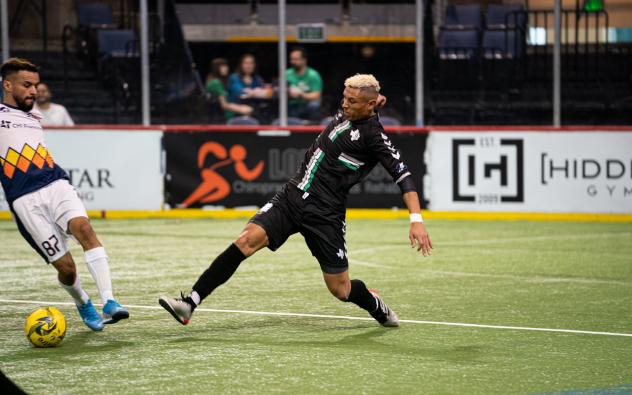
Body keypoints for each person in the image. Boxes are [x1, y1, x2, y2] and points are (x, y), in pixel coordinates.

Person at [159, 74, 432, 328]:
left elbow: (405, 178)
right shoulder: (355, 109)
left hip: (325, 214)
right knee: (245, 241)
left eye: (352, 101)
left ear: (369, 105)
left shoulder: (375, 138)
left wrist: (416, 221)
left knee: (341, 290)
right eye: (344, 98)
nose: (344, 104)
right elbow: (371, 103)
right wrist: (373, 102)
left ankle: (375, 305)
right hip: (291, 197)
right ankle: (189, 303)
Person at [0, 58, 128, 331]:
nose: (34, 91)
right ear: (7, 85)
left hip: (55, 182)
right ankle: (83, 301)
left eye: (35, 85)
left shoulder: (35, 116)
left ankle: (110, 301)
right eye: (26, 85)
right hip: (24, 199)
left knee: (84, 228)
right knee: (67, 269)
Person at [286, 47, 323, 120]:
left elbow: (317, 95)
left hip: (306, 106)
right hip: (290, 105)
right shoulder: (286, 74)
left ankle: (311, 124)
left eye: (296, 59)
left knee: (314, 105)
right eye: (291, 59)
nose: (293, 61)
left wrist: (300, 95)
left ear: (304, 60)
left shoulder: (313, 75)